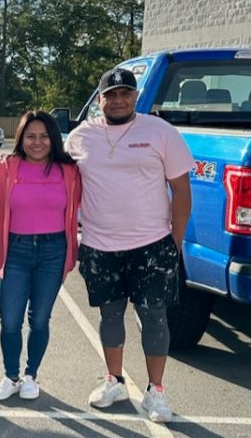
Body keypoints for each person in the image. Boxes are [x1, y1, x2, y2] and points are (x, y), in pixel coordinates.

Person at [64, 67, 193, 423]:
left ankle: (157, 392)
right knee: (110, 314)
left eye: (125, 93)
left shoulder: (160, 132)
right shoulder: (79, 137)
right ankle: (114, 380)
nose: (118, 100)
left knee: (154, 316)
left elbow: (181, 190)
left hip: (151, 244)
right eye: (111, 95)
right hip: (98, 245)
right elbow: (57, 179)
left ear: (136, 97)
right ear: (100, 100)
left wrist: (175, 242)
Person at [0, 110, 82, 401]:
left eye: (43, 136)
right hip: (16, 249)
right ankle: (10, 375)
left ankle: (30, 376)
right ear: (21, 138)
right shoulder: (6, 168)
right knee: (10, 320)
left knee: (40, 319)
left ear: (53, 139)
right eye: (30, 136)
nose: (37, 142)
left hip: (54, 251)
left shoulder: (70, 172)